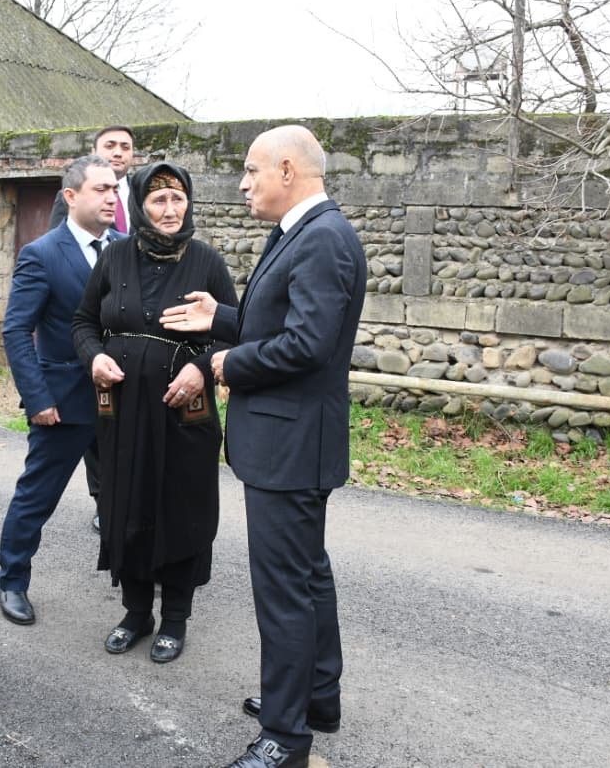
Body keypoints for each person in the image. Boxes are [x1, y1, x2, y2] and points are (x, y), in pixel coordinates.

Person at [159, 126, 366, 768]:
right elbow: (280, 320)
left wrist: (227, 362)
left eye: (251, 171)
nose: (243, 184)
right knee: (307, 575)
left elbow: (307, 345)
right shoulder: (301, 232)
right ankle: (316, 698)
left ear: (287, 170)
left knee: (284, 590)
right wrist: (222, 318)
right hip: (289, 441)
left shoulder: (323, 239)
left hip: (291, 445)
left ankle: (285, 737)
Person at [71, 161, 237, 665]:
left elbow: (236, 332)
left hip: (184, 410)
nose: (170, 209)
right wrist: (93, 357)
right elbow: (83, 321)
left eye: (178, 198)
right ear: (140, 206)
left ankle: (175, 618)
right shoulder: (115, 257)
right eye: (159, 200)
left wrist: (203, 369)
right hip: (121, 410)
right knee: (127, 503)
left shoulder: (206, 261)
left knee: (182, 505)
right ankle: (136, 612)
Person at [0, 155, 123, 626]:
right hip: (63, 402)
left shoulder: (127, 249)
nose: (111, 197)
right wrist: (37, 398)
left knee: (123, 492)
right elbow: (16, 331)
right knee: (37, 496)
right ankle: (12, 581)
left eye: (114, 189)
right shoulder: (42, 254)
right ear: (71, 196)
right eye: (100, 189)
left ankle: (129, 575)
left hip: (121, 400)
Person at [49, 125, 137, 532]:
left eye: (125, 147)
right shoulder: (72, 199)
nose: (118, 152)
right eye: (110, 146)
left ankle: (124, 503)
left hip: (128, 333)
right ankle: (104, 501)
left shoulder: (139, 194)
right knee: (93, 428)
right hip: (85, 332)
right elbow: (60, 254)